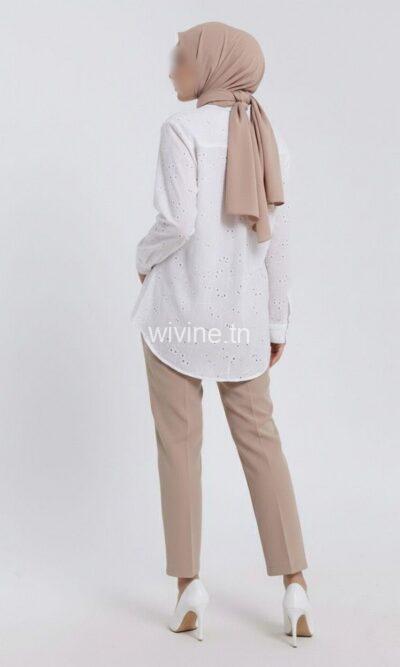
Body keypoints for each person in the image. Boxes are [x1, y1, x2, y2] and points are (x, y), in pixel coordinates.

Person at [132, 21, 313, 647]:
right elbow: (279, 241)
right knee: (262, 444)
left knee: (179, 449)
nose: (172, 69)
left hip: (177, 316)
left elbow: (178, 222)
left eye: (181, 58)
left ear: (213, 65)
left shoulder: (181, 131)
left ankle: (188, 589)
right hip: (242, 319)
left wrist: (142, 257)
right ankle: (295, 587)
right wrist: (277, 320)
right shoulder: (270, 140)